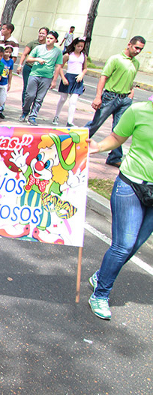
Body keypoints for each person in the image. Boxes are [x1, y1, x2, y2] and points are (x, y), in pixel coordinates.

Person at [86, 96, 153, 320]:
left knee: (134, 246)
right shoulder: (139, 110)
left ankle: (102, 275)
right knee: (123, 245)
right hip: (131, 185)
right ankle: (100, 294)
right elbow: (117, 136)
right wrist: (98, 147)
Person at [88, 36, 145, 168]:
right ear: (129, 45)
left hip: (124, 99)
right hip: (110, 97)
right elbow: (103, 78)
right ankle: (74, 144)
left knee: (120, 129)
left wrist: (131, 91)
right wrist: (98, 97)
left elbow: (130, 79)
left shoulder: (135, 63)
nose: (137, 51)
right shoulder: (115, 59)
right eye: (136, 47)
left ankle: (114, 157)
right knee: (95, 123)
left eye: (140, 49)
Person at [20, 30, 62, 125]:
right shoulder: (39, 48)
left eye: (51, 38)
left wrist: (54, 80)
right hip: (35, 74)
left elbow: (58, 66)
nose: (48, 40)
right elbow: (28, 59)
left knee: (39, 98)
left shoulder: (58, 52)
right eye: (48, 38)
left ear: (55, 40)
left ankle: (33, 116)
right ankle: (25, 111)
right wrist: (37, 59)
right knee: (30, 95)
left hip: (47, 77)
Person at [53, 37, 87, 126]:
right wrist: (63, 78)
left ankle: (70, 121)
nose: (80, 48)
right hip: (68, 77)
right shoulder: (68, 55)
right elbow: (60, 67)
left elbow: (85, 68)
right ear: (75, 45)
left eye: (82, 46)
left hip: (78, 79)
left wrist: (81, 75)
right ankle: (56, 116)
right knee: (63, 98)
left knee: (73, 101)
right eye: (78, 46)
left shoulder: (84, 56)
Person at [16, 27, 48, 105]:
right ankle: (25, 105)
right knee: (27, 87)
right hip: (29, 68)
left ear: (47, 35)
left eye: (43, 33)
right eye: (40, 33)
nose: (41, 35)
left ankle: (33, 105)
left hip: (40, 70)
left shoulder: (47, 45)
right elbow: (24, 54)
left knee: (36, 90)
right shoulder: (32, 43)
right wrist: (20, 65)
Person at [0, 45, 15, 119]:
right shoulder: (0, 60)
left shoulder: (11, 61)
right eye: (6, 52)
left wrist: (9, 83)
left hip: (4, 83)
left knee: (2, 100)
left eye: (9, 52)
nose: (7, 54)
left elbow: (10, 73)